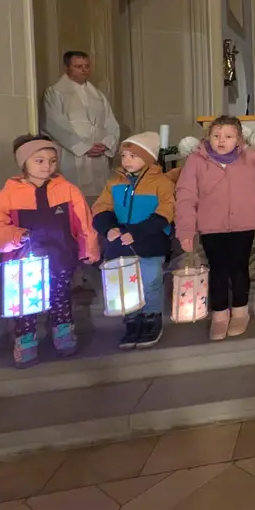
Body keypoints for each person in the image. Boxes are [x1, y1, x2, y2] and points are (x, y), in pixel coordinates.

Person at [0, 134, 100, 367]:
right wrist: (15, 236)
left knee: (61, 296)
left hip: (60, 256)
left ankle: (63, 331)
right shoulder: (5, 197)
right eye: (40, 161)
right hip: (24, 260)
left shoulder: (67, 190)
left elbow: (84, 222)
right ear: (24, 163)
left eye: (52, 160)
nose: (47, 166)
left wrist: (89, 248)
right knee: (26, 304)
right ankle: (25, 340)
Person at [176, 116, 255, 341]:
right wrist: (185, 230)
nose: (222, 141)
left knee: (239, 269)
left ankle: (241, 312)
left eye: (229, 137)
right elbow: (185, 195)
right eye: (216, 136)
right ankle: (220, 315)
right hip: (212, 227)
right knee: (219, 270)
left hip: (243, 224)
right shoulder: (196, 161)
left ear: (239, 139)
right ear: (208, 137)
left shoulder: (249, 157)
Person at [91, 132, 176, 350]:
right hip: (121, 245)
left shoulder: (161, 183)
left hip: (150, 242)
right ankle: (132, 321)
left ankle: (151, 319)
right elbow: (102, 207)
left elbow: (166, 211)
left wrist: (138, 231)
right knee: (126, 284)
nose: (127, 160)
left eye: (133, 156)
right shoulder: (114, 183)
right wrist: (108, 228)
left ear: (148, 158)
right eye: (124, 156)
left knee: (150, 282)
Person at [42, 51, 121, 199]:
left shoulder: (97, 95)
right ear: (67, 68)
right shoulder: (56, 92)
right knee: (74, 198)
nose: (84, 70)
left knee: (100, 199)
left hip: (99, 156)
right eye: (78, 66)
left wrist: (106, 144)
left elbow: (111, 123)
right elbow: (55, 124)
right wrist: (84, 147)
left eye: (86, 66)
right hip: (72, 156)